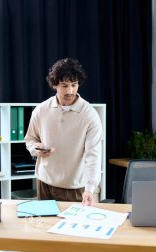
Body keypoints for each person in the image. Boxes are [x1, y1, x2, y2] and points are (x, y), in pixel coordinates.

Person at [24, 58, 102, 206]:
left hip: (74, 188)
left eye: (74, 85)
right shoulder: (41, 110)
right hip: (44, 183)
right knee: (44, 228)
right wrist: (36, 149)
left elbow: (94, 154)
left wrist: (90, 188)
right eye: (64, 85)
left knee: (72, 228)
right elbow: (30, 139)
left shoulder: (90, 115)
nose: (70, 91)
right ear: (54, 85)